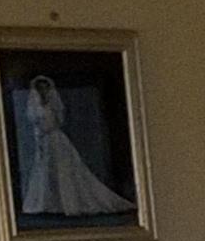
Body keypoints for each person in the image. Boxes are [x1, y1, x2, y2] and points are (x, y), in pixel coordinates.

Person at [19, 75, 135, 218]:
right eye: (40, 88)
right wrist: (40, 139)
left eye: (45, 88)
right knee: (45, 171)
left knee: (65, 170)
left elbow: (58, 121)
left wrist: (49, 129)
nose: (43, 91)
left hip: (56, 140)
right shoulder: (34, 107)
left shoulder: (54, 105)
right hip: (44, 141)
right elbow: (36, 124)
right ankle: (50, 203)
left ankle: (69, 202)